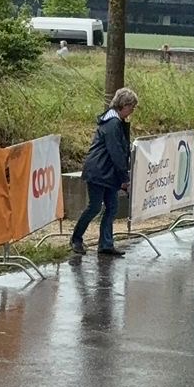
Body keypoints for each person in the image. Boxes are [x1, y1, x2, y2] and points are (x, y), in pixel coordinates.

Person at [68, 87, 138, 259]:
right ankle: (76, 238)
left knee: (112, 207)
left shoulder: (113, 121)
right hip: (99, 171)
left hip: (107, 171)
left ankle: (106, 244)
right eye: (132, 107)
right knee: (95, 206)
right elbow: (116, 152)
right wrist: (125, 178)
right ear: (124, 105)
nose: (132, 111)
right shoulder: (113, 124)